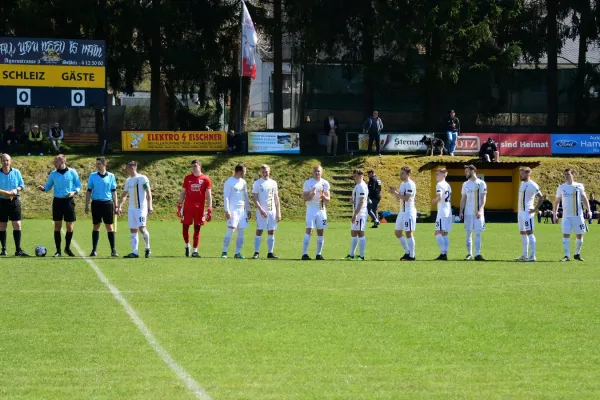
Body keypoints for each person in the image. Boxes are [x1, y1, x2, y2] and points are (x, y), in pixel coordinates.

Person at [37, 154, 81, 257]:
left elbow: (78, 185)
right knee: (57, 226)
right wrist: (43, 188)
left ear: (62, 162)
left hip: (69, 201)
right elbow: (48, 186)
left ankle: (67, 248)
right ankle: (58, 251)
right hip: (57, 202)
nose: (54, 163)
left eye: (56, 161)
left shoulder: (72, 172)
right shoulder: (53, 174)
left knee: (69, 227)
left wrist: (74, 192)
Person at [117, 161, 153, 258]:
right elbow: (124, 194)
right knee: (133, 230)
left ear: (133, 167)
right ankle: (135, 252)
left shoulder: (142, 178)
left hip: (141, 208)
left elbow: (148, 192)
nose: (125, 169)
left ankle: (147, 248)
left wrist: (150, 205)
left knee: (142, 228)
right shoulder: (128, 180)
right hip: (131, 209)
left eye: (127, 167)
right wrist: (120, 205)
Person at [554, 169, 591, 262]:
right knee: (566, 235)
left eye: (568, 174)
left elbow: (585, 199)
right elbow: (557, 201)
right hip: (566, 216)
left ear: (573, 174)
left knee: (580, 235)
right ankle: (566, 256)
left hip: (578, 216)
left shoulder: (579, 186)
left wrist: (589, 210)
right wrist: (555, 213)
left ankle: (577, 254)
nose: (566, 176)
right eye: (565, 174)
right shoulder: (561, 187)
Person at [178, 160, 213, 257]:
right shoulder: (187, 178)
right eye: (192, 166)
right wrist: (179, 205)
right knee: (185, 228)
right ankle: (187, 245)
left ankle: (195, 251)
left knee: (197, 229)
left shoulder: (205, 179)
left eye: (195, 166)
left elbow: (209, 195)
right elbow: (183, 192)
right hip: (188, 207)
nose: (193, 168)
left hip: (199, 208)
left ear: (200, 166)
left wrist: (209, 207)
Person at [84, 157, 118, 257]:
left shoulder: (111, 176)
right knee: (96, 226)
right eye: (97, 164)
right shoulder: (92, 176)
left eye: (99, 164)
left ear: (104, 164)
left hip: (107, 204)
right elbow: (89, 190)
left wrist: (116, 205)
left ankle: (113, 250)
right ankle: (94, 250)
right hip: (96, 204)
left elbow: (114, 191)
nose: (97, 166)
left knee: (109, 227)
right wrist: (86, 205)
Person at [0, 154, 28, 256]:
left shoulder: (16, 172)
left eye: (7, 160)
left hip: (14, 201)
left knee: (17, 224)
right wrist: (5, 193)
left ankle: (18, 250)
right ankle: (3, 249)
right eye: (3, 160)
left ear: (10, 161)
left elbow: (22, 185)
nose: (5, 162)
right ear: (1, 161)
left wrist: (16, 189)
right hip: (2, 202)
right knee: (2, 226)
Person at [222, 163, 251, 259]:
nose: (246, 173)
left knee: (241, 232)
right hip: (233, 210)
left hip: (242, 211)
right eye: (245, 171)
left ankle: (237, 252)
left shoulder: (243, 182)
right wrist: (227, 210)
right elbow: (226, 197)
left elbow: (246, 196)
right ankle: (224, 252)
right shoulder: (229, 182)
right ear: (240, 171)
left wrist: (248, 209)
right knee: (231, 230)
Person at [251, 164, 281, 259]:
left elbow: (276, 198)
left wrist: (278, 212)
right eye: (263, 172)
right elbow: (254, 197)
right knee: (259, 230)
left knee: (271, 231)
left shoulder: (273, 183)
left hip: (272, 211)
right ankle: (256, 252)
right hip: (261, 212)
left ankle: (270, 253)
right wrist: (260, 209)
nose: (265, 173)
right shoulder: (257, 183)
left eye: (266, 171)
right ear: (260, 172)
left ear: (269, 171)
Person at [301, 165, 331, 260]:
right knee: (309, 230)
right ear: (312, 172)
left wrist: (324, 197)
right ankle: (304, 254)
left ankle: (319, 254)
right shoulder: (308, 183)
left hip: (321, 210)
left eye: (318, 171)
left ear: (321, 172)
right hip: (311, 210)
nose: (317, 173)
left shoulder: (325, 183)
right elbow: (305, 198)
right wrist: (312, 194)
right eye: (315, 171)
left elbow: (328, 199)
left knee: (320, 231)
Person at [388, 166, 417, 261]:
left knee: (408, 233)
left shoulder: (410, 184)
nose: (401, 175)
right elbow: (399, 197)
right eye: (400, 173)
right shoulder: (402, 184)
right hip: (402, 211)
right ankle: (407, 251)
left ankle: (412, 256)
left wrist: (396, 193)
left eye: (403, 173)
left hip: (409, 211)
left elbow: (406, 198)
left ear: (408, 174)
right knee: (397, 232)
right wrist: (394, 191)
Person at [515, 167, 543, 262]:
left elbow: (541, 197)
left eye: (522, 174)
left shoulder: (533, 185)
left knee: (529, 233)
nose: (520, 175)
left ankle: (532, 256)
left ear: (527, 174)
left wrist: (535, 209)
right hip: (520, 212)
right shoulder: (522, 184)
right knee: (523, 233)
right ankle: (524, 254)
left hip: (527, 212)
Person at [460, 164, 487, 261]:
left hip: (478, 213)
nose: (465, 173)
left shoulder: (481, 183)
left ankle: (478, 254)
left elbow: (484, 198)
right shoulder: (465, 184)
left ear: (473, 171)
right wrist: (461, 211)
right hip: (468, 212)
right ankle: (469, 254)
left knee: (478, 233)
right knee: (468, 233)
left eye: (467, 171)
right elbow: (463, 198)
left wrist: (480, 210)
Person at [344, 169, 368, 261]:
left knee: (360, 233)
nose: (354, 177)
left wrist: (356, 214)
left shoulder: (362, 186)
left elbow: (362, 201)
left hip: (360, 213)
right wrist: (352, 200)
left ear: (361, 176)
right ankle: (351, 254)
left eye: (356, 176)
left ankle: (361, 256)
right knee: (353, 232)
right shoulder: (357, 185)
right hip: (356, 212)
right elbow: (358, 199)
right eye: (354, 176)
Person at [432, 168, 452, 260]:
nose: (436, 175)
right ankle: (445, 253)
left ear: (443, 175)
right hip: (448, 211)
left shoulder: (439, 184)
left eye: (438, 174)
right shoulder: (447, 185)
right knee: (444, 233)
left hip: (442, 212)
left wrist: (434, 200)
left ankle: (443, 253)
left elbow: (439, 197)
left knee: (437, 233)